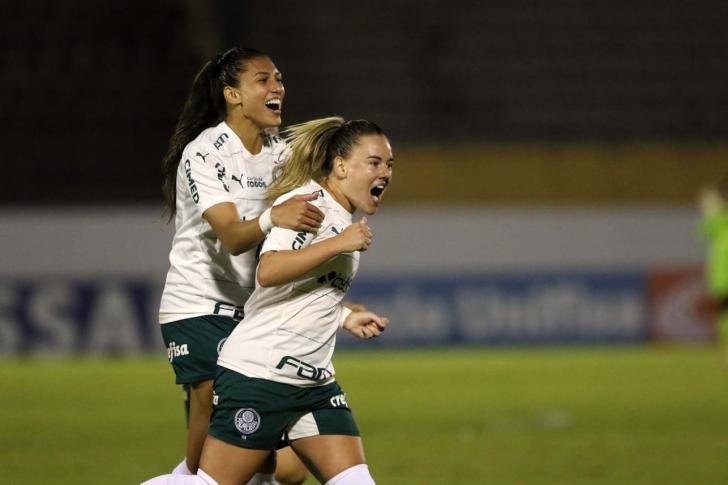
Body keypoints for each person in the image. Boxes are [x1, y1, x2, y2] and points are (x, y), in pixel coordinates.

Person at [143, 116, 393, 485]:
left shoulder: (341, 216)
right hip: (260, 377)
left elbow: (301, 292)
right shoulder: (308, 205)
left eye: (389, 164)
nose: (385, 172)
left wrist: (343, 316)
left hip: (315, 385)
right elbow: (269, 271)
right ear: (340, 165)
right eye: (374, 162)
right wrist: (338, 243)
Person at [158, 47, 321, 485]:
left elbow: (310, 225)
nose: (278, 88)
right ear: (233, 94)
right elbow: (232, 236)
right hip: (198, 304)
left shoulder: (284, 156)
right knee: (208, 401)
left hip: (253, 311)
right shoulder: (206, 152)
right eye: (264, 80)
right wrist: (274, 217)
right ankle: (187, 480)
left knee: (290, 470)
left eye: (280, 79)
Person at [699, 176, 728, 354]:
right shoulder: (719, 220)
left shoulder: (718, 220)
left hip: (722, 275)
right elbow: (705, 229)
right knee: (724, 311)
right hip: (723, 275)